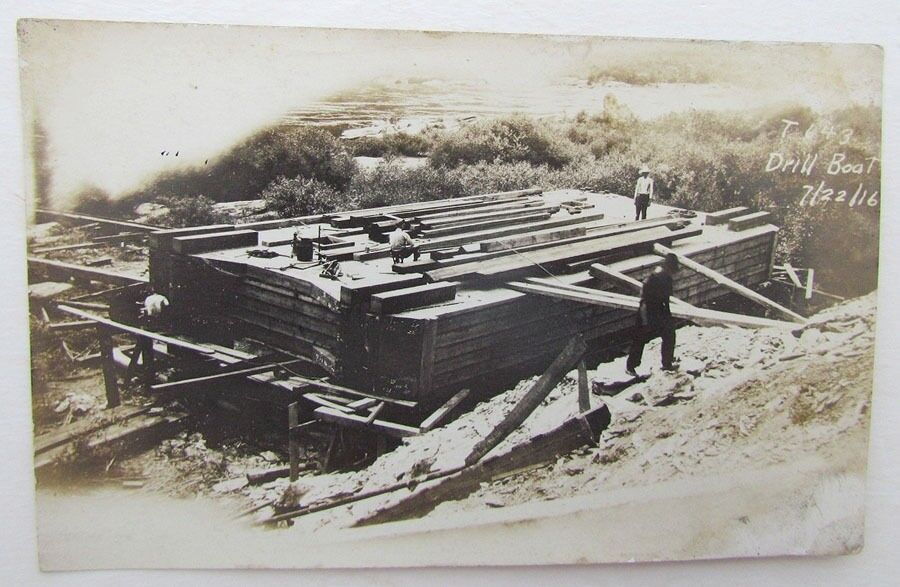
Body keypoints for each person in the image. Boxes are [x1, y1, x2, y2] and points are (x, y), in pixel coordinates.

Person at [626, 253, 680, 376]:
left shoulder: (666, 278)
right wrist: (645, 320)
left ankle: (667, 363)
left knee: (669, 334)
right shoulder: (655, 278)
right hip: (647, 311)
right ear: (669, 267)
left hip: (658, 310)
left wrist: (668, 317)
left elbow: (665, 300)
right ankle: (630, 367)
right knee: (640, 338)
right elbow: (645, 299)